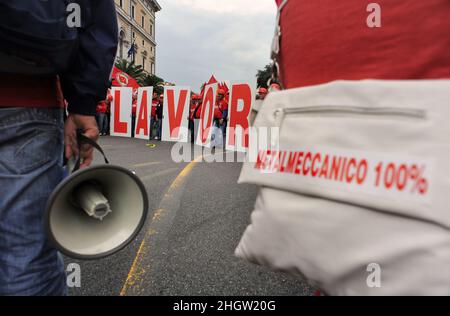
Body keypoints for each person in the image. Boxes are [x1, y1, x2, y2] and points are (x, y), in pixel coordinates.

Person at [0, 0, 118, 295]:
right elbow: (93, 19)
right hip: (24, 95)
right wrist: (82, 101)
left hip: (23, 100)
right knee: (25, 259)